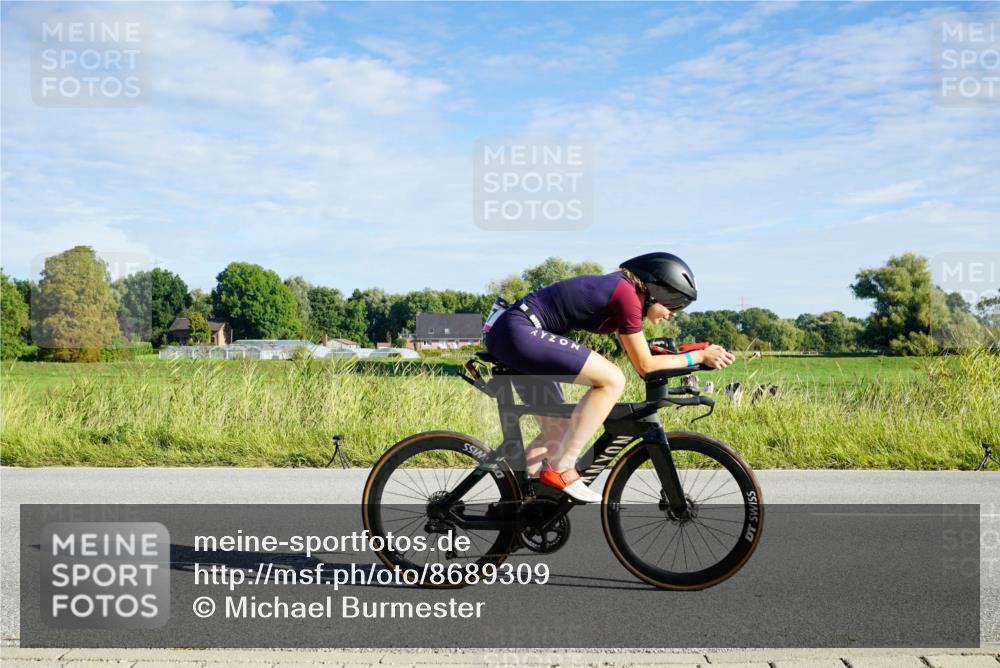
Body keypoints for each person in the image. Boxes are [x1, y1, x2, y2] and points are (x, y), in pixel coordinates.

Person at [483, 252, 735, 503]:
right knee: (612, 380)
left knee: (559, 432)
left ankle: (517, 509)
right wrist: (699, 357)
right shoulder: (626, 295)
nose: (675, 312)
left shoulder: (623, 292)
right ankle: (562, 469)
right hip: (519, 330)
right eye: (676, 302)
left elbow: (641, 357)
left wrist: (686, 355)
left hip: (516, 334)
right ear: (656, 290)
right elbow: (646, 366)